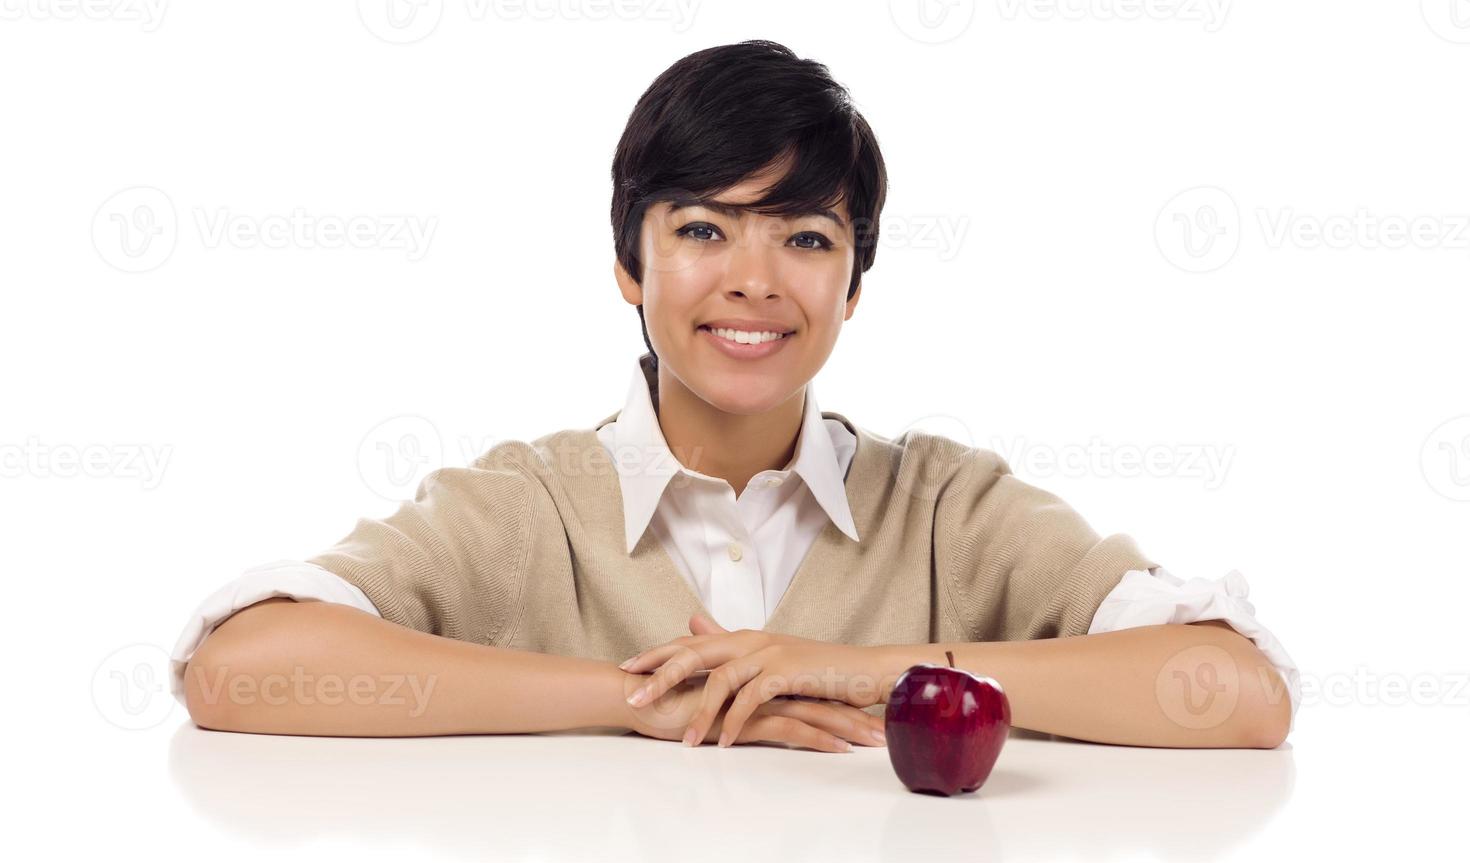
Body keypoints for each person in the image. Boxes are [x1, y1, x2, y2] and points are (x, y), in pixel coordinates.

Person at [173, 40, 1298, 750]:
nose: (753, 280)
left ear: (854, 286)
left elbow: (1236, 691)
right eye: (702, 229)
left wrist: (866, 669)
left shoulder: (949, 506)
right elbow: (237, 672)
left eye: (805, 237)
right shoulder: (527, 507)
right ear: (630, 264)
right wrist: (633, 698)